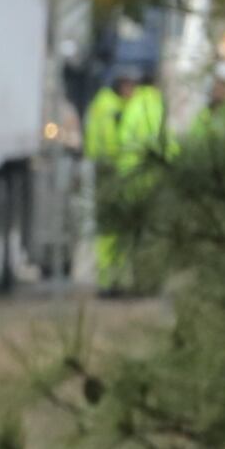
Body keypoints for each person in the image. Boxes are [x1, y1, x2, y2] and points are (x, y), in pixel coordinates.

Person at [86, 64, 166, 291]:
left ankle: (116, 280)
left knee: (116, 231)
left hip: (116, 172)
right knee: (117, 231)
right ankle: (119, 279)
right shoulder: (118, 108)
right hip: (115, 172)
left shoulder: (107, 105)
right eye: (127, 85)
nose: (129, 90)